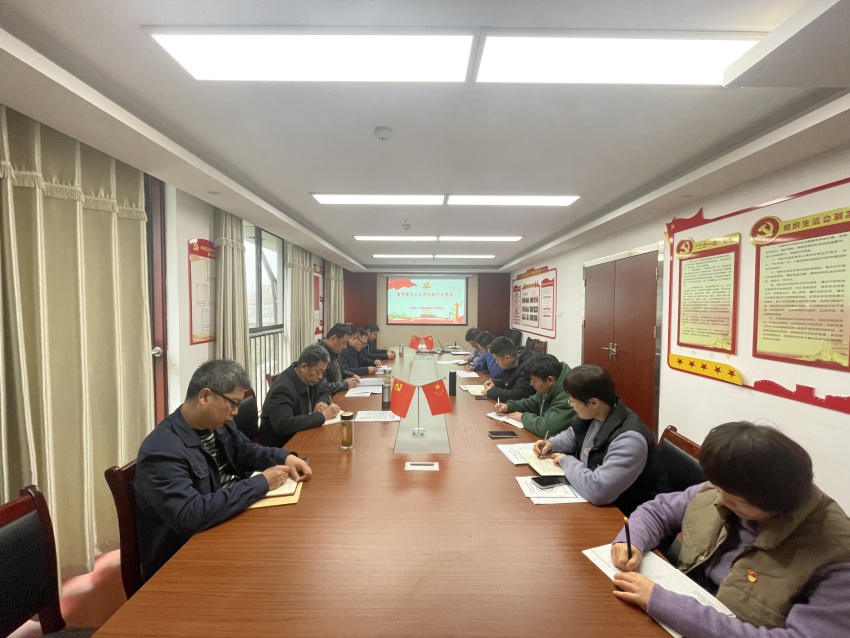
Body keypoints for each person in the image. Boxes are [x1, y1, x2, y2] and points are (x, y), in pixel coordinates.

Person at [610, 422, 850, 637]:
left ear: (772, 503)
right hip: (682, 602)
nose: (722, 500)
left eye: (734, 500)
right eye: (718, 489)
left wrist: (666, 604)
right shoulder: (731, 487)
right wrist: (632, 541)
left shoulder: (837, 556)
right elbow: (658, 510)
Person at [134, 359, 312, 581]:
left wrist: (284, 457)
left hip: (228, 518)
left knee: (294, 546)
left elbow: (245, 450)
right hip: (189, 555)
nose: (236, 412)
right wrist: (261, 483)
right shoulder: (162, 450)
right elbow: (190, 515)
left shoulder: (218, 424)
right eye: (233, 403)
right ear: (205, 396)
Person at [533, 365, 668, 514]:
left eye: (573, 402)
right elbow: (574, 434)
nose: (571, 406)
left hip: (630, 514)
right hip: (598, 503)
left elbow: (598, 491)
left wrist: (566, 461)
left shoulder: (629, 441)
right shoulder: (596, 414)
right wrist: (552, 444)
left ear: (593, 403)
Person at [259, 345, 341, 447]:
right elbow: (284, 425)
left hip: (302, 434)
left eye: (322, 372)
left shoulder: (310, 378)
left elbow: (325, 392)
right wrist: (323, 415)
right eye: (318, 372)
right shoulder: (283, 388)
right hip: (282, 446)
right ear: (304, 367)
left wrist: (322, 403)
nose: (320, 377)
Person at [494, 353, 573, 437]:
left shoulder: (568, 395)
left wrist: (523, 417)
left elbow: (547, 428)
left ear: (550, 380)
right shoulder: (550, 385)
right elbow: (533, 402)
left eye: (534, 381)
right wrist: (509, 406)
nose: (531, 384)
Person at [482, 336, 534, 401]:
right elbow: (508, 381)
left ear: (507, 358)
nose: (496, 363)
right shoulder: (514, 360)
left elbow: (518, 395)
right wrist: (495, 383)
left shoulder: (526, 367)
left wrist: (491, 391)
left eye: (497, 359)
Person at [318, 323, 359, 395]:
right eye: (344, 343)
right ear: (334, 339)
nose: (345, 347)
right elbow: (322, 386)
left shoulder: (334, 351)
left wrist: (352, 375)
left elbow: (342, 371)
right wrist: (345, 384)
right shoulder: (319, 355)